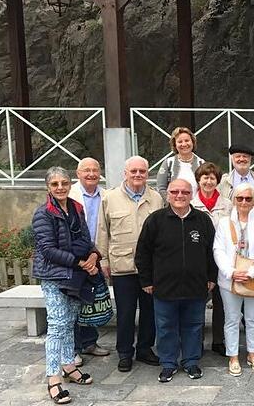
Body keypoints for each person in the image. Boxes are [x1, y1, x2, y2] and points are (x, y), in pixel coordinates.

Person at [135, 179, 217, 383]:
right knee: (165, 327)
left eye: (184, 192)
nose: (179, 196)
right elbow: (142, 253)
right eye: (175, 192)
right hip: (164, 287)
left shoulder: (203, 220)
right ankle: (168, 363)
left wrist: (211, 278)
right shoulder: (155, 220)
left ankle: (190, 362)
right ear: (168, 194)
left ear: (192, 194)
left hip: (196, 287)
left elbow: (212, 252)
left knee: (194, 326)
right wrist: (146, 280)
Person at [33, 167, 98, 404]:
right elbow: (48, 250)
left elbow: (85, 238)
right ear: (48, 187)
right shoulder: (43, 214)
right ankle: (53, 378)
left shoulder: (76, 207)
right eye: (54, 184)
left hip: (75, 275)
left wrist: (93, 256)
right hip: (54, 275)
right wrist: (80, 262)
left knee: (70, 321)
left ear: (70, 184)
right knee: (57, 326)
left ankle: (69, 366)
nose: (60, 187)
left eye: (64, 183)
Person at [96, 156, 164, 372]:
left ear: (147, 174)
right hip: (122, 265)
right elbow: (103, 231)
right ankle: (125, 352)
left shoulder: (156, 199)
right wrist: (104, 260)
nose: (137, 175)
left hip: (151, 267)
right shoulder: (110, 198)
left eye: (142, 171)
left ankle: (145, 349)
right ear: (125, 173)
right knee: (125, 313)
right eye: (133, 171)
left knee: (149, 310)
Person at [212, 183, 254, 376]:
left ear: (253, 200)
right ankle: (233, 355)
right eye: (240, 198)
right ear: (234, 200)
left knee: (253, 318)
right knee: (231, 318)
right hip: (229, 280)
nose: (244, 202)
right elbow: (218, 250)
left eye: (248, 198)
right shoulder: (224, 223)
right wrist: (231, 272)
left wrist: (253, 272)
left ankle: (252, 353)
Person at [68, 158, 110, 366]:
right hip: (77, 259)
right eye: (87, 170)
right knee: (75, 303)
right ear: (78, 173)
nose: (91, 174)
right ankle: (75, 348)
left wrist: (98, 256)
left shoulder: (106, 195)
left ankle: (90, 342)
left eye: (95, 170)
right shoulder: (69, 195)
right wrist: (83, 259)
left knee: (92, 301)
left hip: (98, 254)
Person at [191, 162, 233, 356]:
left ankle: (218, 340)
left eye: (212, 178)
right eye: (205, 177)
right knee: (198, 303)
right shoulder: (190, 203)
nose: (208, 181)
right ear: (198, 180)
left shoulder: (227, 204)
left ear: (217, 180)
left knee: (221, 303)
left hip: (222, 259)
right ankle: (196, 341)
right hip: (199, 260)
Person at [156, 127, 206, 199]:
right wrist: (172, 203)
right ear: (175, 145)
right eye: (180, 142)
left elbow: (206, 188)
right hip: (174, 208)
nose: (184, 144)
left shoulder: (201, 163)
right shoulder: (168, 163)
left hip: (197, 208)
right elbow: (161, 188)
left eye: (187, 140)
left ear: (192, 142)